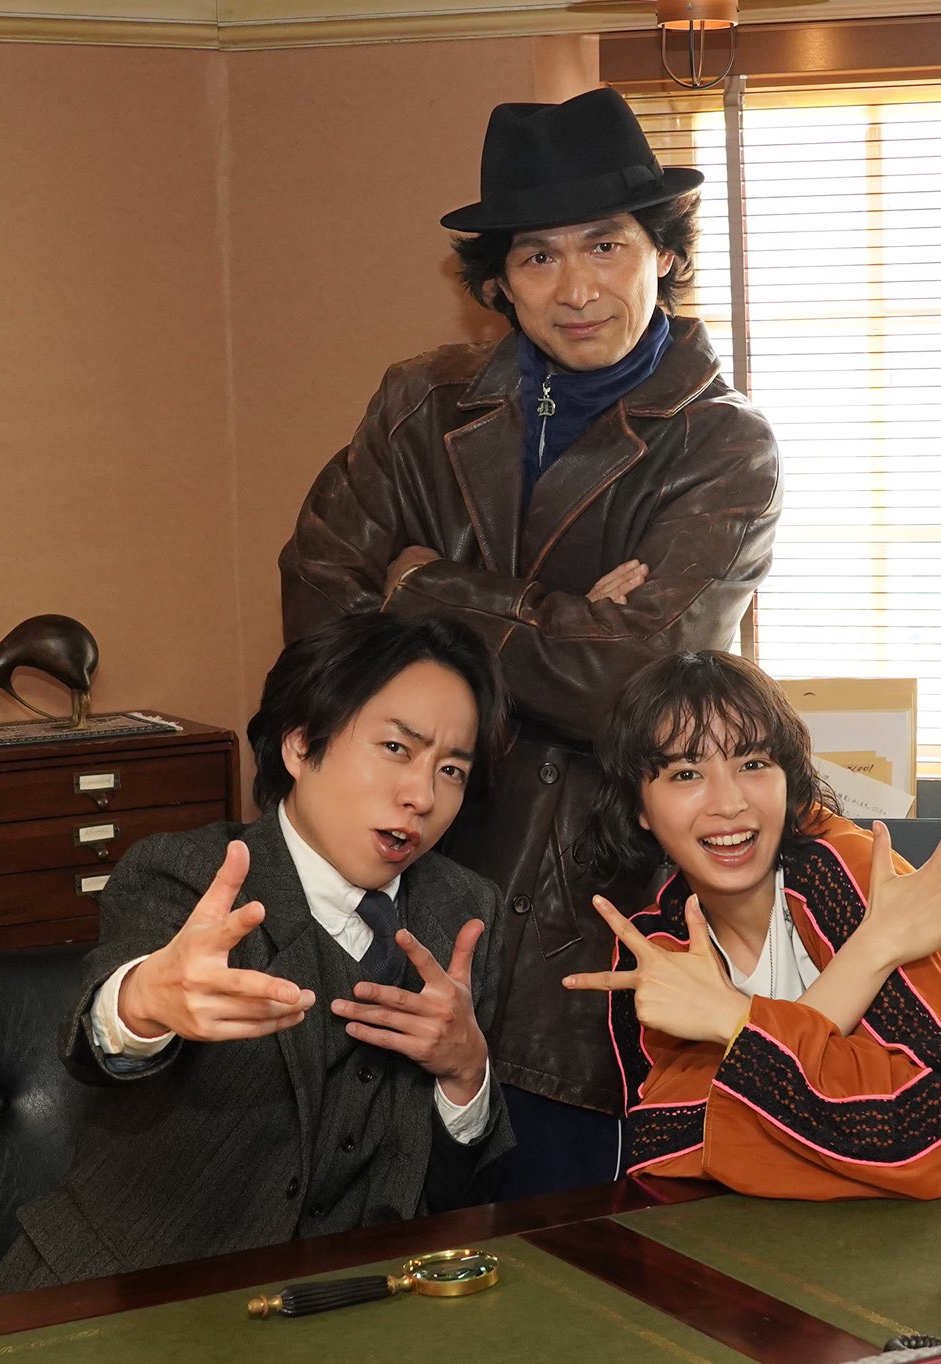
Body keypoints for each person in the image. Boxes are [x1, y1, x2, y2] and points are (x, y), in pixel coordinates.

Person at [279, 86, 782, 1196]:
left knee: (571, 1247)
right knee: (376, 1230)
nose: (577, 287)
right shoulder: (420, 402)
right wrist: (556, 615)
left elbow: (632, 686)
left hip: (586, 916)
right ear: (498, 281)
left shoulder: (723, 445)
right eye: (538, 256)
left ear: (662, 253)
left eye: (605, 245)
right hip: (392, 878)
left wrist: (424, 586)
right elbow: (317, 612)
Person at [0, 613, 513, 1293]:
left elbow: (459, 1197)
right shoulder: (187, 875)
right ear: (300, 744)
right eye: (394, 748)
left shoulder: (463, 912)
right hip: (127, 1293)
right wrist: (142, 1003)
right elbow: (100, 1031)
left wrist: (466, 1073)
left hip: (346, 1307)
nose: (422, 796)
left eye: (451, 770)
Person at [566, 651, 941, 1198]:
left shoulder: (852, 877)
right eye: (686, 773)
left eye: (753, 764)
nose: (728, 802)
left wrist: (732, 1030)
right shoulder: (658, 941)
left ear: (790, 779)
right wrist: (866, 959)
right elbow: (663, 1145)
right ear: (640, 807)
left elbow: (940, 1132)